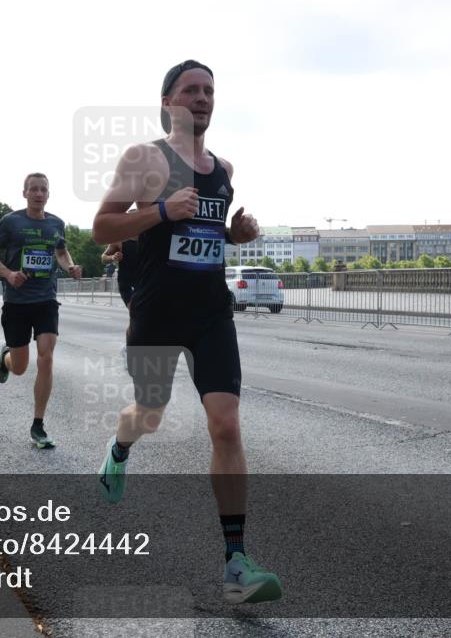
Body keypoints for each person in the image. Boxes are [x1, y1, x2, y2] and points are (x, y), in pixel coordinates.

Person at [91, 60, 281, 604]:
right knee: (148, 413)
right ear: (169, 101)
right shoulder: (145, 158)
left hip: (209, 314)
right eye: (191, 90)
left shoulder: (223, 167)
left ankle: (236, 565)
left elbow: (206, 231)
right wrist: (158, 209)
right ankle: (119, 449)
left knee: (225, 425)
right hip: (155, 311)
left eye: (209, 91)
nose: (202, 98)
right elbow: (103, 225)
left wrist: (235, 234)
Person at [0, 173, 82, 449]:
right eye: (33, 189)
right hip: (16, 302)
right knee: (21, 367)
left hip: (46, 300)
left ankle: (38, 425)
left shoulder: (56, 224)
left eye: (43, 190)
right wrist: (9, 274)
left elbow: (61, 253)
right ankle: (6, 360)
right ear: (24, 193)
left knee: (46, 358)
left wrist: (69, 266)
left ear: (48, 194)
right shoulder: (11, 222)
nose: (39, 194)